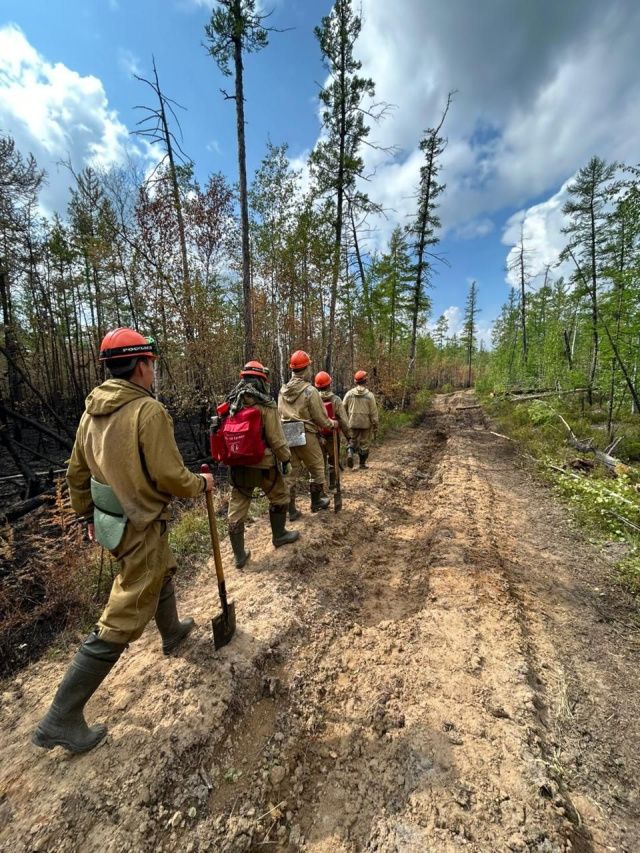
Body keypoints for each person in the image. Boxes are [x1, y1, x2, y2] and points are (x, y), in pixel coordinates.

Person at [32, 328, 214, 754]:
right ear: (141, 365)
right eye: (151, 363)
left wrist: (85, 517)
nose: (154, 370)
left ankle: (172, 633)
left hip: (111, 520)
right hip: (141, 520)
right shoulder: (148, 412)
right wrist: (199, 484)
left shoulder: (89, 413)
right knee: (124, 611)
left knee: (159, 568)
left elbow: (77, 472)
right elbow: (170, 475)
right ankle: (61, 717)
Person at [224, 360, 299, 569]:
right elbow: (277, 439)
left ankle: (239, 555)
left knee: (237, 507)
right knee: (280, 496)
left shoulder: (231, 402)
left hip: (237, 464)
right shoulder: (266, 405)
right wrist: (285, 459)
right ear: (262, 381)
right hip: (264, 465)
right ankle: (280, 535)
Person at [278, 350, 338, 517]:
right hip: (306, 433)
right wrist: (331, 424)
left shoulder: (282, 391)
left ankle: (291, 510)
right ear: (306, 369)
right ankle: (316, 502)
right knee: (317, 467)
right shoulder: (310, 391)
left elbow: (279, 413)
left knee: (291, 472)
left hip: (287, 434)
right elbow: (320, 417)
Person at [314, 371, 350, 490]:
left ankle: (320, 488)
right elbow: (344, 421)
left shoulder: (312, 399)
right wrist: (349, 436)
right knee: (333, 460)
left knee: (319, 463)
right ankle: (333, 484)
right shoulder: (336, 400)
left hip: (317, 436)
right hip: (332, 435)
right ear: (329, 384)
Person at [343, 370, 379, 469]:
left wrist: (345, 421)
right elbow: (373, 413)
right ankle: (362, 464)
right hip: (365, 424)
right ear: (366, 381)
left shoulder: (349, 394)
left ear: (355, 381)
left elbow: (342, 408)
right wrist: (375, 424)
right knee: (364, 443)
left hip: (352, 422)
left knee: (352, 441)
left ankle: (350, 453)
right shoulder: (369, 396)